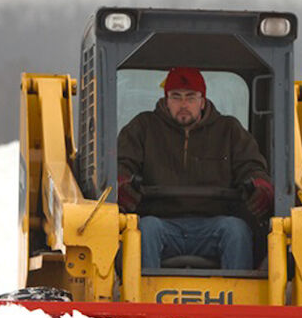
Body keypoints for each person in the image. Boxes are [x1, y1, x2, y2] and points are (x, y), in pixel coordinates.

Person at [117, 67, 274, 270]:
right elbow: (124, 163)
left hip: (215, 223)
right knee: (143, 230)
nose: (183, 105)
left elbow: (250, 166)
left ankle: (238, 291)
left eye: (190, 97)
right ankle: (141, 290)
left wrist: (259, 184)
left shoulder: (229, 131)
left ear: (202, 101)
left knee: (236, 230)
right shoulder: (142, 127)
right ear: (166, 99)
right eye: (176, 97)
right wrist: (122, 181)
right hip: (160, 222)